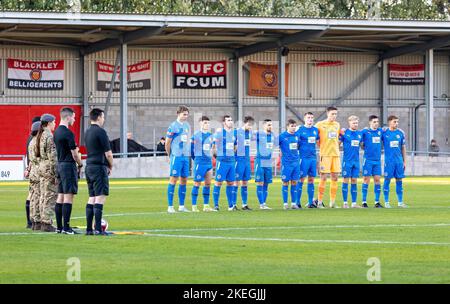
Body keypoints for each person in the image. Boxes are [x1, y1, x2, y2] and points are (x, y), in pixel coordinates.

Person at [54, 107, 83, 234]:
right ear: (68, 117)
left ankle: (59, 227)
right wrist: (80, 164)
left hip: (60, 165)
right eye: (74, 117)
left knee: (60, 196)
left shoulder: (56, 132)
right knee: (68, 196)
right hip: (68, 166)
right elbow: (75, 154)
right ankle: (66, 227)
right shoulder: (68, 133)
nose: (74, 120)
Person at [84, 108, 114, 235]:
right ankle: (98, 229)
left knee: (92, 197)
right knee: (100, 197)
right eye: (103, 117)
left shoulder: (87, 132)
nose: (104, 119)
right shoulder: (101, 132)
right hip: (98, 167)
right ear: (99, 118)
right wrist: (111, 165)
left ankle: (89, 229)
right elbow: (108, 153)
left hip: (89, 166)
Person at [165, 105, 191, 213]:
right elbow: (167, 142)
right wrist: (169, 155)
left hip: (185, 156)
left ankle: (181, 206)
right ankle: (170, 206)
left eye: (187, 115)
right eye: (184, 114)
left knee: (184, 179)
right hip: (176, 156)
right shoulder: (173, 126)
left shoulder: (187, 126)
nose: (186, 116)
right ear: (178, 114)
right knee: (173, 179)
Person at [315, 106, 341, 208]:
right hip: (325, 155)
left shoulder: (337, 125)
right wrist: (322, 146)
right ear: (327, 114)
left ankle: (332, 202)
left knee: (335, 178)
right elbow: (316, 138)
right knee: (324, 178)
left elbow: (338, 138)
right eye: (332, 114)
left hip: (336, 155)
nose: (334, 116)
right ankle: (320, 202)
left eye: (335, 114)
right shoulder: (320, 125)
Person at [36, 114, 58, 232]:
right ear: (49, 123)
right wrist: (55, 173)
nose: (55, 124)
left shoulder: (41, 135)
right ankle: (47, 222)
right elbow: (53, 157)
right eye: (54, 122)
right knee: (50, 196)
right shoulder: (49, 136)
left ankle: (41, 221)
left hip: (42, 167)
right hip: (49, 168)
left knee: (43, 195)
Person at [212, 115, 237, 211]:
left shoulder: (233, 134)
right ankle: (216, 205)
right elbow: (213, 147)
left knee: (230, 183)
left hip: (231, 162)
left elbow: (235, 147)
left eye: (231, 120)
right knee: (218, 183)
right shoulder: (219, 133)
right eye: (228, 120)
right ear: (224, 122)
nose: (230, 122)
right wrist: (217, 157)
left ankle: (230, 206)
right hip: (222, 161)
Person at [382, 115, 407, 208]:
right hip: (389, 161)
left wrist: (405, 161)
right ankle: (386, 202)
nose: (396, 124)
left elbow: (403, 148)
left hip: (399, 161)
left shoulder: (400, 133)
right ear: (389, 122)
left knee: (399, 180)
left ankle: (400, 202)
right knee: (387, 180)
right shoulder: (384, 133)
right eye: (394, 122)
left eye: (397, 122)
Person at [190, 116, 215, 212]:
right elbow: (191, 150)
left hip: (208, 163)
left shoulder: (210, 136)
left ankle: (206, 205)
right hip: (199, 162)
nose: (207, 124)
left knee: (208, 184)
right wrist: (195, 159)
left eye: (208, 123)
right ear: (200, 123)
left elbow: (211, 148)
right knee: (197, 183)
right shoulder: (196, 135)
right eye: (205, 122)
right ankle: (194, 206)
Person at [296, 112, 320, 208]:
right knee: (301, 179)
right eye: (308, 117)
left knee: (311, 180)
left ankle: (310, 202)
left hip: (313, 158)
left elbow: (318, 141)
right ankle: (297, 202)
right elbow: (295, 142)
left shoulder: (315, 130)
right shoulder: (300, 129)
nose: (310, 119)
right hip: (303, 158)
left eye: (312, 117)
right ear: (304, 119)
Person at [339, 115, 362, 208]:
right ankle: (345, 203)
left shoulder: (360, 134)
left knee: (354, 180)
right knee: (345, 180)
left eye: (356, 123)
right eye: (353, 123)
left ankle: (354, 203)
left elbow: (363, 144)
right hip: (347, 161)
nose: (355, 124)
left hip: (356, 161)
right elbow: (338, 144)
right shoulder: (344, 133)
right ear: (349, 123)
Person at [360, 115, 383, 208]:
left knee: (377, 180)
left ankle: (377, 202)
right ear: (370, 122)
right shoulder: (365, 132)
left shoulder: (380, 131)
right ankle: (364, 202)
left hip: (377, 160)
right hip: (368, 160)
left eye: (377, 122)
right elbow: (359, 140)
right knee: (366, 180)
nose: (376, 123)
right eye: (374, 122)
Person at [278, 119, 300, 210]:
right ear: (287, 126)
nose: (294, 128)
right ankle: (285, 203)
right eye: (292, 126)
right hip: (286, 163)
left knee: (294, 182)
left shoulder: (297, 135)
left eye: (295, 126)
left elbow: (298, 146)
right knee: (285, 182)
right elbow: (276, 144)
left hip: (296, 162)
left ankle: (294, 203)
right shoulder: (282, 136)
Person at [24, 116, 41, 229]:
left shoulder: (29, 139)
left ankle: (30, 222)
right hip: (37, 169)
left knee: (31, 194)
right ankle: (34, 221)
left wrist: (27, 169)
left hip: (31, 169)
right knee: (36, 195)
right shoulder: (36, 139)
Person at [234, 116, 255, 210]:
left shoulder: (250, 133)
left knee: (245, 182)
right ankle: (233, 204)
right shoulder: (237, 132)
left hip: (246, 160)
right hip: (238, 160)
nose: (250, 127)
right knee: (236, 182)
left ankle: (244, 204)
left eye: (251, 125)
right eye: (249, 125)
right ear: (244, 123)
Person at [255, 119, 274, 210]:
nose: (270, 126)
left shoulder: (273, 135)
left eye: (271, 125)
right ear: (263, 126)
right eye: (268, 125)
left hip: (268, 162)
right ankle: (261, 204)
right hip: (260, 161)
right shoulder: (259, 134)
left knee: (266, 183)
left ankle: (264, 204)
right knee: (260, 182)